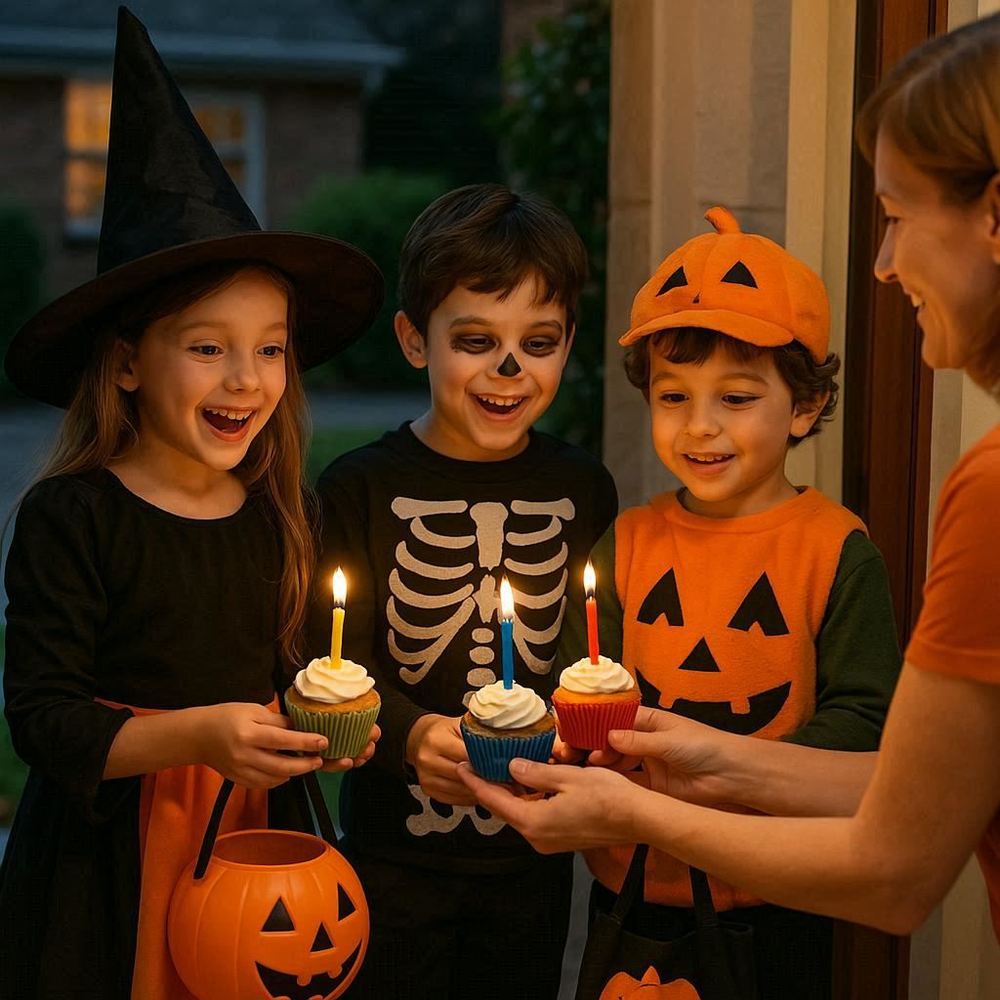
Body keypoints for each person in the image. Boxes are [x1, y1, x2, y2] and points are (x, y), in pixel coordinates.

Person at [459, 10, 1000, 947]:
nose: (882, 263)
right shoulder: (633, 537)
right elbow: (918, 790)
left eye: (898, 216)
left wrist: (633, 814)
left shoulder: (982, 497)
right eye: (675, 395)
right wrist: (704, 759)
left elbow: (897, 866)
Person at [0, 10, 382, 1000]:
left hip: (257, 846)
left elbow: (284, 674)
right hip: (107, 863)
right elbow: (44, 721)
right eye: (207, 346)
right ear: (127, 363)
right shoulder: (73, 518)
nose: (245, 378)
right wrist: (196, 736)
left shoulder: (281, 512)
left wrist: (320, 721)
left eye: (269, 346)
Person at [543, 206, 900, 998]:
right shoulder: (627, 543)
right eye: (674, 397)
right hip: (630, 894)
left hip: (779, 897)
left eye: (736, 399)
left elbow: (867, 722)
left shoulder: (837, 549)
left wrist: (727, 781)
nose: (699, 426)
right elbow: (579, 683)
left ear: (804, 408)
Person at [310, 182, 618, 999]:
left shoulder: (585, 487)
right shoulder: (357, 488)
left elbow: (592, 647)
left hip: (532, 854)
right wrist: (410, 735)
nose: (509, 369)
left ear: (569, 342)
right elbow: (332, 652)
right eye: (476, 339)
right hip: (390, 851)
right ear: (415, 340)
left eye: (539, 341)